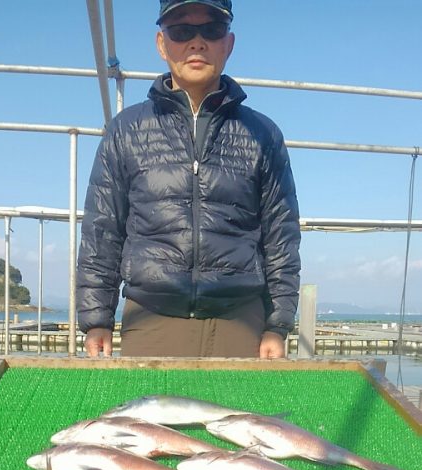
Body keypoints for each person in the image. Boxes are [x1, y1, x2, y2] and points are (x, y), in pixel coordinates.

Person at [77, 0, 301, 359]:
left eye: (211, 29)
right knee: (147, 417)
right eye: (181, 31)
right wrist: (96, 318)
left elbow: (281, 236)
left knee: (244, 415)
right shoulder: (126, 130)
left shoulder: (263, 134)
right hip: (151, 318)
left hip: (241, 319)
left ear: (228, 43)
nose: (197, 43)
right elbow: (102, 230)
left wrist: (277, 325)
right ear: (162, 43)